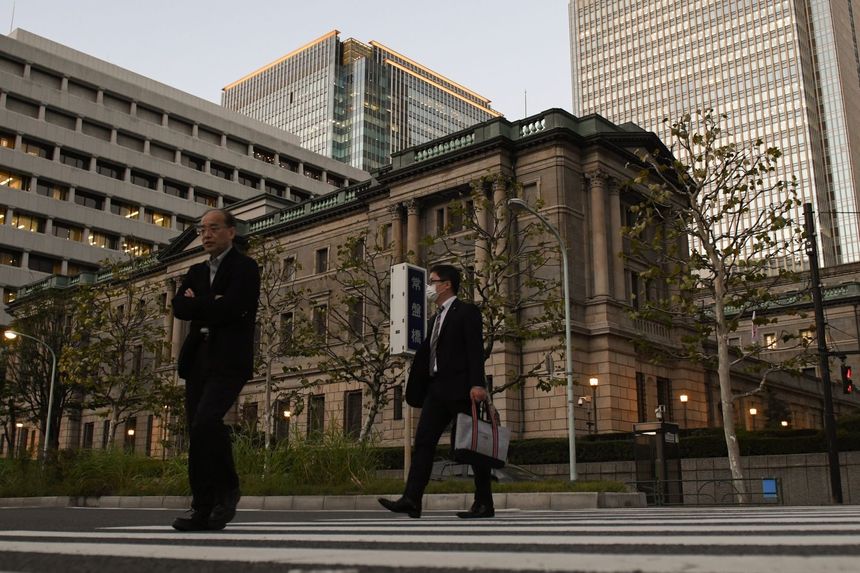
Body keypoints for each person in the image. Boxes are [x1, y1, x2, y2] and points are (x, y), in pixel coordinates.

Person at [378, 264, 494, 519]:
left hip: (461, 389)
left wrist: (477, 384)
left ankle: (484, 502)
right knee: (423, 442)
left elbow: (474, 349)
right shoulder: (434, 319)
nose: (429, 287)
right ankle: (412, 499)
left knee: (473, 445)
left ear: (447, 284)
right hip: (436, 388)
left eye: (433, 281)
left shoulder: (467, 312)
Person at [170, 209, 260, 531]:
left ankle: (228, 488)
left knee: (206, 421)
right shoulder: (195, 270)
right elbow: (179, 307)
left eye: (213, 228)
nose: (206, 235)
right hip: (197, 359)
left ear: (231, 232)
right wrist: (213, 301)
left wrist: (200, 303)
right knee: (197, 432)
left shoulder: (245, 267)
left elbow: (235, 308)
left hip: (229, 359)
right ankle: (202, 508)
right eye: (202, 229)